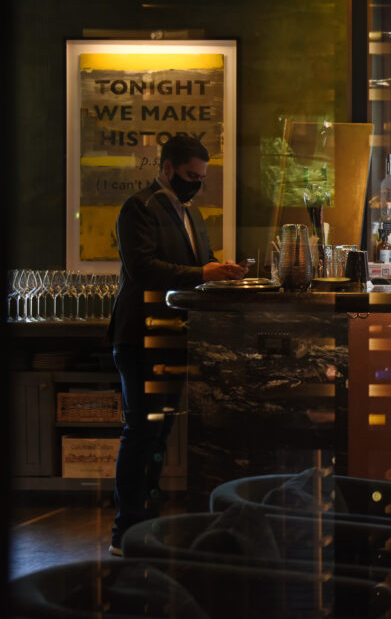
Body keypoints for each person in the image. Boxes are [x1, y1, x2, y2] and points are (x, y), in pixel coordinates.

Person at [107, 135, 247, 555]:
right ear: (167, 168)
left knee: (158, 434)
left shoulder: (190, 212)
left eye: (201, 178)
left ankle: (145, 525)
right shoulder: (140, 207)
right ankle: (125, 531)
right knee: (141, 433)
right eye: (190, 176)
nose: (196, 185)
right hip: (141, 334)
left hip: (172, 335)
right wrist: (201, 270)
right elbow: (143, 267)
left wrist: (219, 269)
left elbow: (193, 265)